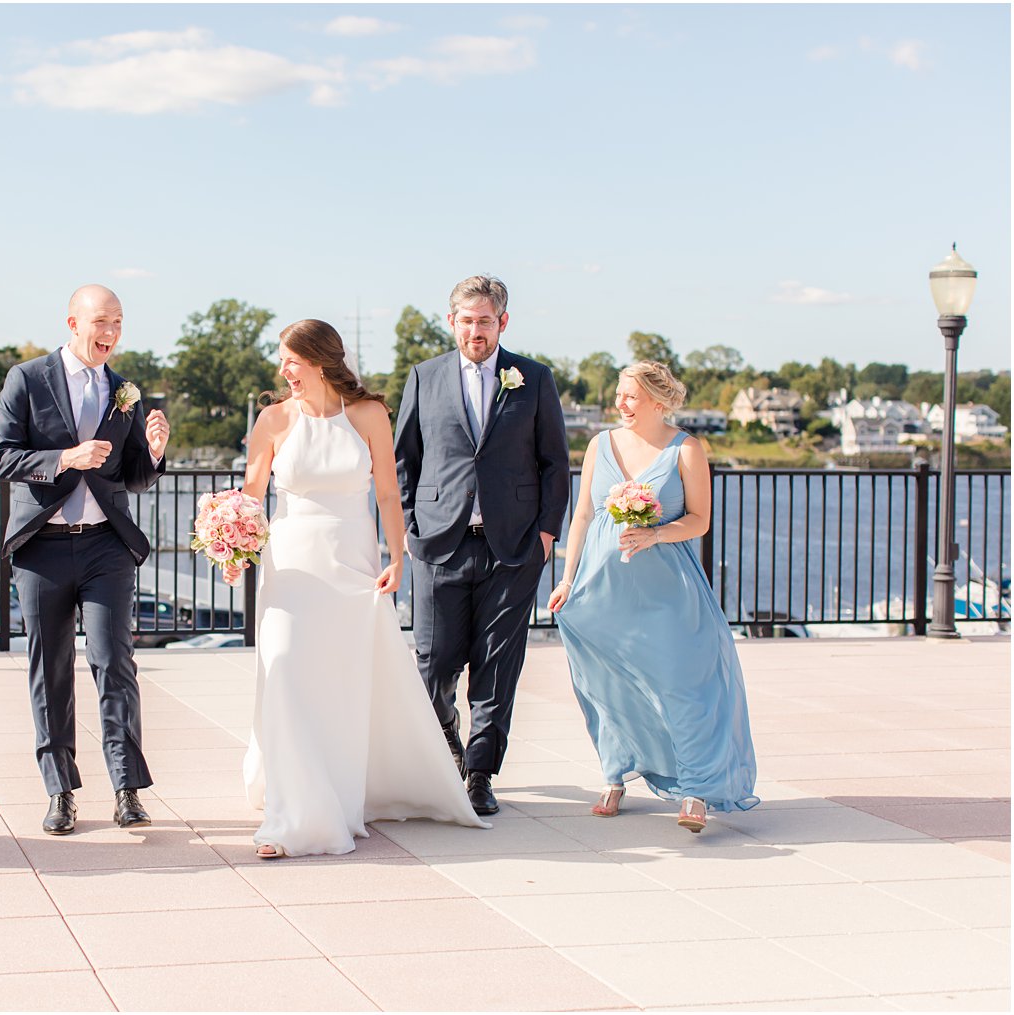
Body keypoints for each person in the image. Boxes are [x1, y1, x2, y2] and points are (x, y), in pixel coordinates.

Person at [236, 319, 487, 859]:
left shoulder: (370, 415)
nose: (283, 372)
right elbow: (251, 496)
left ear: (319, 361)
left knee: (339, 683)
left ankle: (339, 788)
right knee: (284, 670)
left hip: (351, 564)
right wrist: (229, 542)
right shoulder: (273, 419)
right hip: (291, 567)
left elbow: (391, 494)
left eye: (291, 361)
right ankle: (291, 812)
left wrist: (398, 557)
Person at [0, 284, 170, 835]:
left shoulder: (126, 393)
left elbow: (131, 476)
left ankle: (126, 787)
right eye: (101, 322)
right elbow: (0, 456)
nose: (110, 333)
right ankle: (60, 791)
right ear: (73, 322)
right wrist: (64, 458)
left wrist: (156, 453)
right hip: (41, 547)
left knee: (115, 661)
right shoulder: (27, 378)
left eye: (118, 322)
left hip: (105, 546)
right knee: (52, 669)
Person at [549, 361, 759, 831]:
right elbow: (581, 516)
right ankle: (614, 774)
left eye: (631, 396)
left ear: (659, 402)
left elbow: (700, 520)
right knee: (606, 685)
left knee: (684, 686)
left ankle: (697, 790)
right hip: (604, 590)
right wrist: (567, 580)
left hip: (667, 592)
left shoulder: (686, 450)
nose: (620, 404)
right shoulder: (599, 444)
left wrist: (657, 533)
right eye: (619, 395)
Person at [393, 274, 571, 815]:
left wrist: (545, 535)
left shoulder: (533, 379)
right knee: (435, 661)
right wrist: (407, 528)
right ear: (451, 322)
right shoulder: (424, 377)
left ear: (503, 322)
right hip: (439, 543)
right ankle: (447, 744)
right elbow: (405, 459)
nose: (476, 330)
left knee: (497, 666)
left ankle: (480, 773)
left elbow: (554, 462)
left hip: (513, 548)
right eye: (466, 320)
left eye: (485, 321)